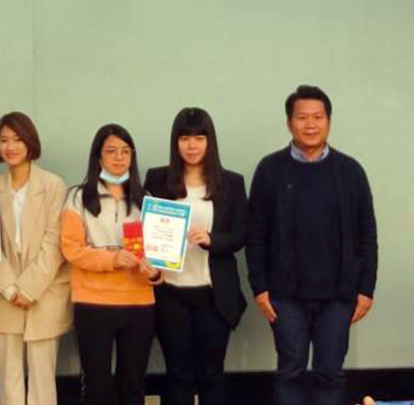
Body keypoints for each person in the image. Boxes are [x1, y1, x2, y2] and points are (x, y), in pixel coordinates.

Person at [246, 85, 378, 405]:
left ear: (328, 121)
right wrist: (260, 287)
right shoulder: (270, 169)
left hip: (338, 295)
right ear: (289, 123)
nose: (310, 124)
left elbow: (367, 235)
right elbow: (256, 233)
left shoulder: (350, 171)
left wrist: (365, 290)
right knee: (289, 373)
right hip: (285, 295)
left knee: (330, 374)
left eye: (318, 117)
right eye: (302, 117)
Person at [143, 107, 248, 405]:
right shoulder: (157, 178)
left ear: (210, 142)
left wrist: (213, 240)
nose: (192, 146)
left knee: (212, 374)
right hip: (170, 293)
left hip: (213, 294)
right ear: (175, 142)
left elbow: (241, 234)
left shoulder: (231, 182)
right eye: (185, 138)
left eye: (199, 138)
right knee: (178, 375)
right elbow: (144, 229)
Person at [60, 124, 162, 405]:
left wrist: (155, 272)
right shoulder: (77, 198)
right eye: (111, 151)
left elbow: (160, 258)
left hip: (139, 303)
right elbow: (71, 249)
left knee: (133, 385)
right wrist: (113, 259)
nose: (119, 157)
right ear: (98, 156)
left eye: (125, 151)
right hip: (93, 303)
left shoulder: (147, 200)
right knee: (97, 388)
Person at [0, 112, 70, 405]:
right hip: (4, 294)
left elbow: (54, 241)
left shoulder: (54, 185)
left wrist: (29, 288)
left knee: (42, 378)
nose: (10, 146)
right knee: (8, 377)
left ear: (30, 142)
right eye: (4, 140)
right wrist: (11, 289)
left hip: (44, 293)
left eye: (18, 139)